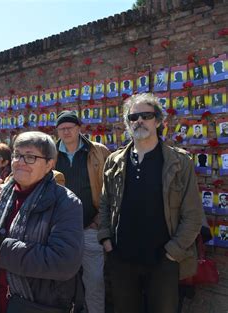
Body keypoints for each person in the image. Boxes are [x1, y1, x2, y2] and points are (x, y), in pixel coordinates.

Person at [0, 131, 84, 313]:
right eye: (17, 155)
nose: (20, 162)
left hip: (33, 304)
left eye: (30, 157)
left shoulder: (66, 203)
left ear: (49, 164)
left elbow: (64, 263)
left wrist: (1, 254)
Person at [98, 93, 203, 313]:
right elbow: (106, 203)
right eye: (133, 117)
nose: (139, 121)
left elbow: (193, 215)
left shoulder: (179, 162)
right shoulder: (114, 161)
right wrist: (106, 240)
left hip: (163, 261)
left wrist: (172, 252)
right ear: (128, 123)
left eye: (146, 115)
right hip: (122, 258)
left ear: (158, 120)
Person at [54, 111, 110, 313]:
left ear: (79, 128)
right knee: (60, 281)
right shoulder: (50, 154)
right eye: (62, 128)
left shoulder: (98, 151)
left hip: (90, 227)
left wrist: (98, 220)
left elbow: (109, 190)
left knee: (94, 281)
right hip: (59, 231)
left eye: (70, 127)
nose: (66, 131)